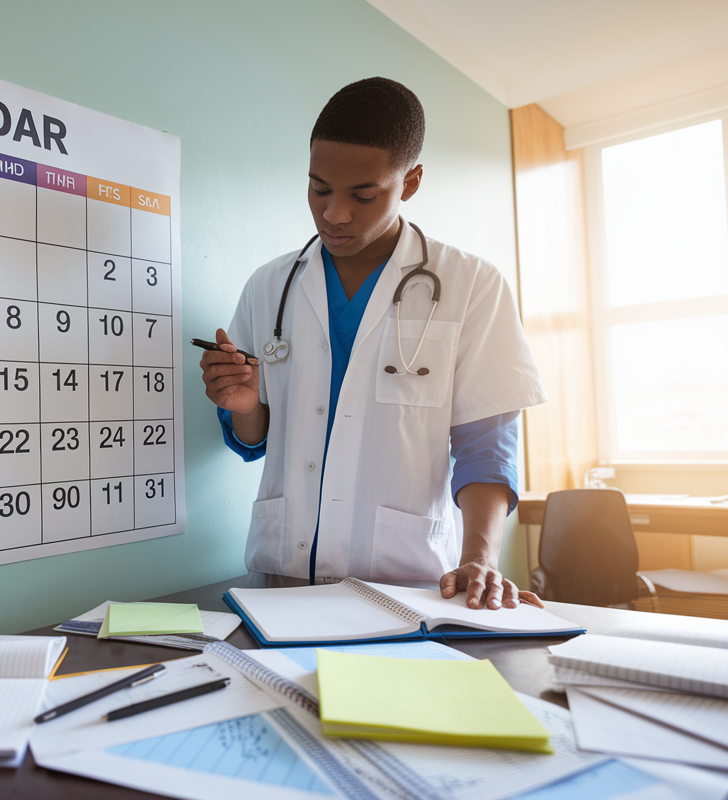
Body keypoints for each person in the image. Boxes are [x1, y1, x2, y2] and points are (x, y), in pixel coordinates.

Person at [201, 77, 547, 610]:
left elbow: (484, 449)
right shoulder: (269, 286)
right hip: (279, 580)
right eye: (319, 189)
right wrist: (245, 406)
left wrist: (480, 557)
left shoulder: (471, 285)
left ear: (410, 182)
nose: (335, 213)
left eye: (364, 195)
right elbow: (252, 441)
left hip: (404, 586)